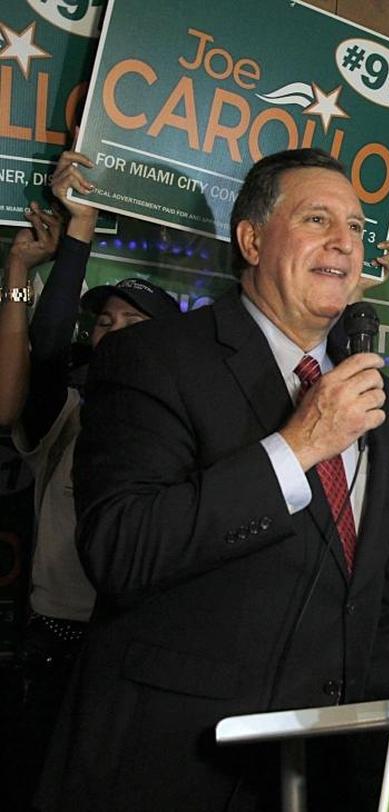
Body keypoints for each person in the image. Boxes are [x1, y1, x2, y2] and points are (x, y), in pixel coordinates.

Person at [37, 148, 389, 811]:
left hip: (321, 770)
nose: (344, 242)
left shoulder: (379, 394)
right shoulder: (152, 357)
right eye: (317, 218)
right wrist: (298, 446)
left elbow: (373, 589)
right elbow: (121, 549)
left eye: (355, 226)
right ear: (252, 238)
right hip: (177, 766)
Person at [0, 156, 184, 810]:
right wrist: (79, 230)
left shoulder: (190, 430)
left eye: (134, 326)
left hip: (144, 656)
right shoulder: (69, 416)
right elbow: (47, 353)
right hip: (58, 649)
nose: (112, 333)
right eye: (104, 323)